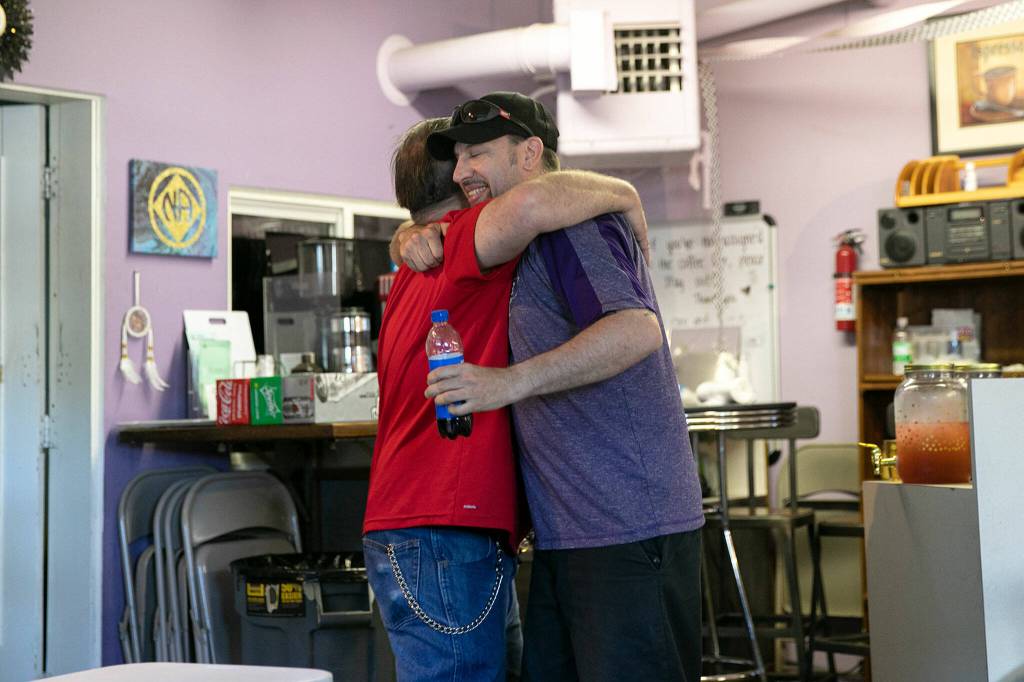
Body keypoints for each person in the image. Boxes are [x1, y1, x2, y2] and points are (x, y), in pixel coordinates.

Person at [401, 92, 705, 682]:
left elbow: (636, 329)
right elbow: (441, 228)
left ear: (530, 153)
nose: (463, 172)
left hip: (630, 525)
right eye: (458, 157)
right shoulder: (521, 233)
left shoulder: (575, 224)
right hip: (567, 535)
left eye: (479, 154)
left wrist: (507, 383)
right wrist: (408, 237)